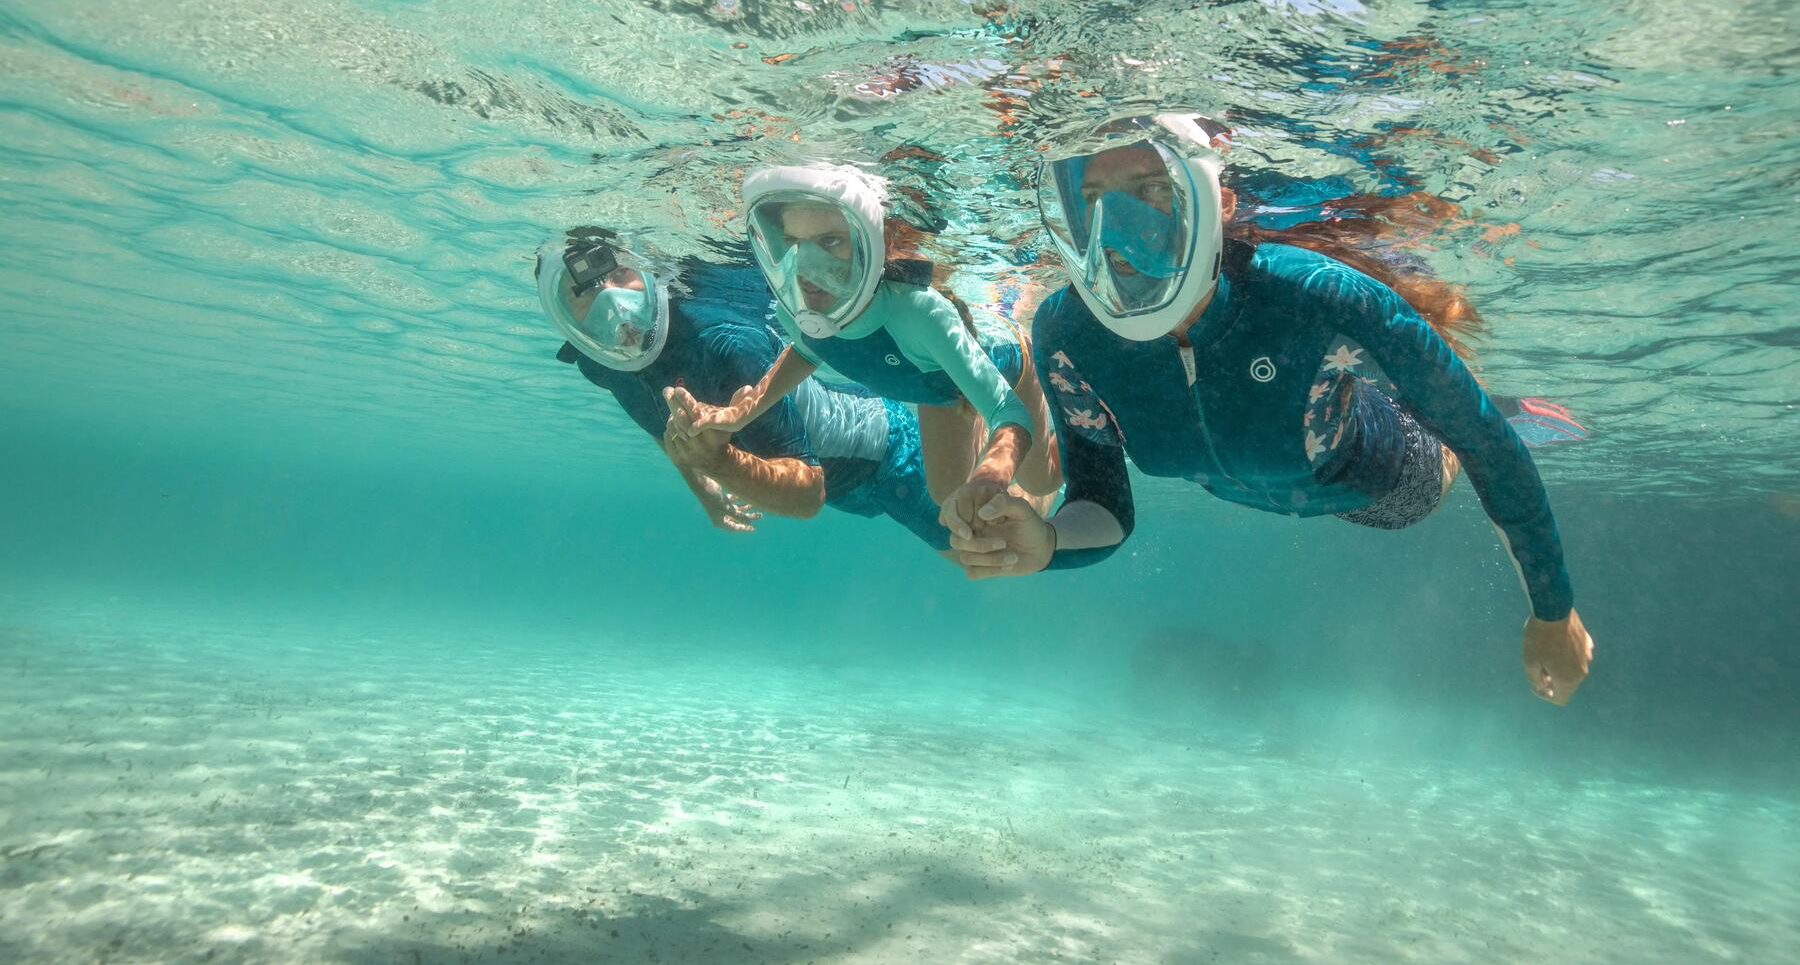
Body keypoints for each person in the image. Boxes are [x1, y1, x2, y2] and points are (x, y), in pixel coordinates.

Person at [942, 115, 1594, 706]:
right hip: (1262, 479)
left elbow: (1489, 447)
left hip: (1384, 484)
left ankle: (1454, 403)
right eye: (1093, 203)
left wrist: (1552, 612)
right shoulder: (1068, 332)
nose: (1119, 236)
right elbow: (1102, 502)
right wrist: (1048, 540)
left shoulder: (1320, 298)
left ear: (1219, 201)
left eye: (1151, 192)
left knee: (1448, 440)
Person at [664, 163, 1061, 528]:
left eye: (831, 241)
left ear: (872, 244)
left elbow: (1007, 412)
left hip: (1010, 364)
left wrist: (993, 475)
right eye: (792, 243)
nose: (805, 267)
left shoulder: (918, 314)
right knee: (944, 495)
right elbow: (808, 350)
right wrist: (736, 416)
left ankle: (1077, 420)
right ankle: (978, 422)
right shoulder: (799, 308)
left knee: (1041, 481)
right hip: (936, 384)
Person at [536, 230, 949, 551]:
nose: (609, 296)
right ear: (560, 312)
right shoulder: (600, 362)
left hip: (888, 454)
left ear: (646, 269)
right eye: (582, 290)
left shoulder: (722, 343)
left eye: (619, 273)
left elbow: (808, 494)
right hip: (850, 487)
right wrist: (707, 491)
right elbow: (662, 422)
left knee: (989, 548)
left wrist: (719, 465)